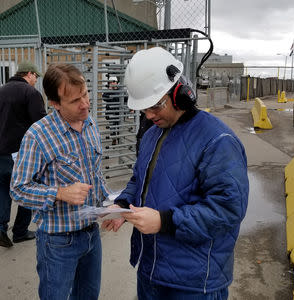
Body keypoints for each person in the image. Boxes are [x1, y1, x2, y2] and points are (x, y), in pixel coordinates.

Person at [102, 47, 249, 300]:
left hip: (195, 283)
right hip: (151, 271)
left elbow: (228, 210)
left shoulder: (218, 140)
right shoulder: (151, 134)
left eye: (155, 106)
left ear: (180, 93)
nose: (148, 115)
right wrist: (123, 205)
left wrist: (164, 221)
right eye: (143, 109)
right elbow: (140, 178)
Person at [10, 63, 110, 300]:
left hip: (91, 235)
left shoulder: (89, 122)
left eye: (85, 94)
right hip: (58, 242)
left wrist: (109, 204)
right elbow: (18, 188)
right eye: (75, 101)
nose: (84, 104)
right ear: (55, 103)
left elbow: (94, 172)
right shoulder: (38, 136)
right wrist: (59, 193)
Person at [0, 61, 46, 248]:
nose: (36, 80)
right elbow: (41, 123)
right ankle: (20, 231)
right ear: (28, 74)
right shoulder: (30, 93)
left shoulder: (0, 92)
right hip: (20, 151)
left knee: (4, 188)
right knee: (27, 187)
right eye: (35, 76)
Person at [102, 76, 120, 145]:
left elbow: (124, 99)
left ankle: (119, 138)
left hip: (119, 112)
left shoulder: (120, 90)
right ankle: (114, 139)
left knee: (119, 126)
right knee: (112, 127)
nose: (112, 83)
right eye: (111, 82)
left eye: (114, 81)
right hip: (111, 112)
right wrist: (110, 90)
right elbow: (104, 98)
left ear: (117, 82)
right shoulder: (107, 91)